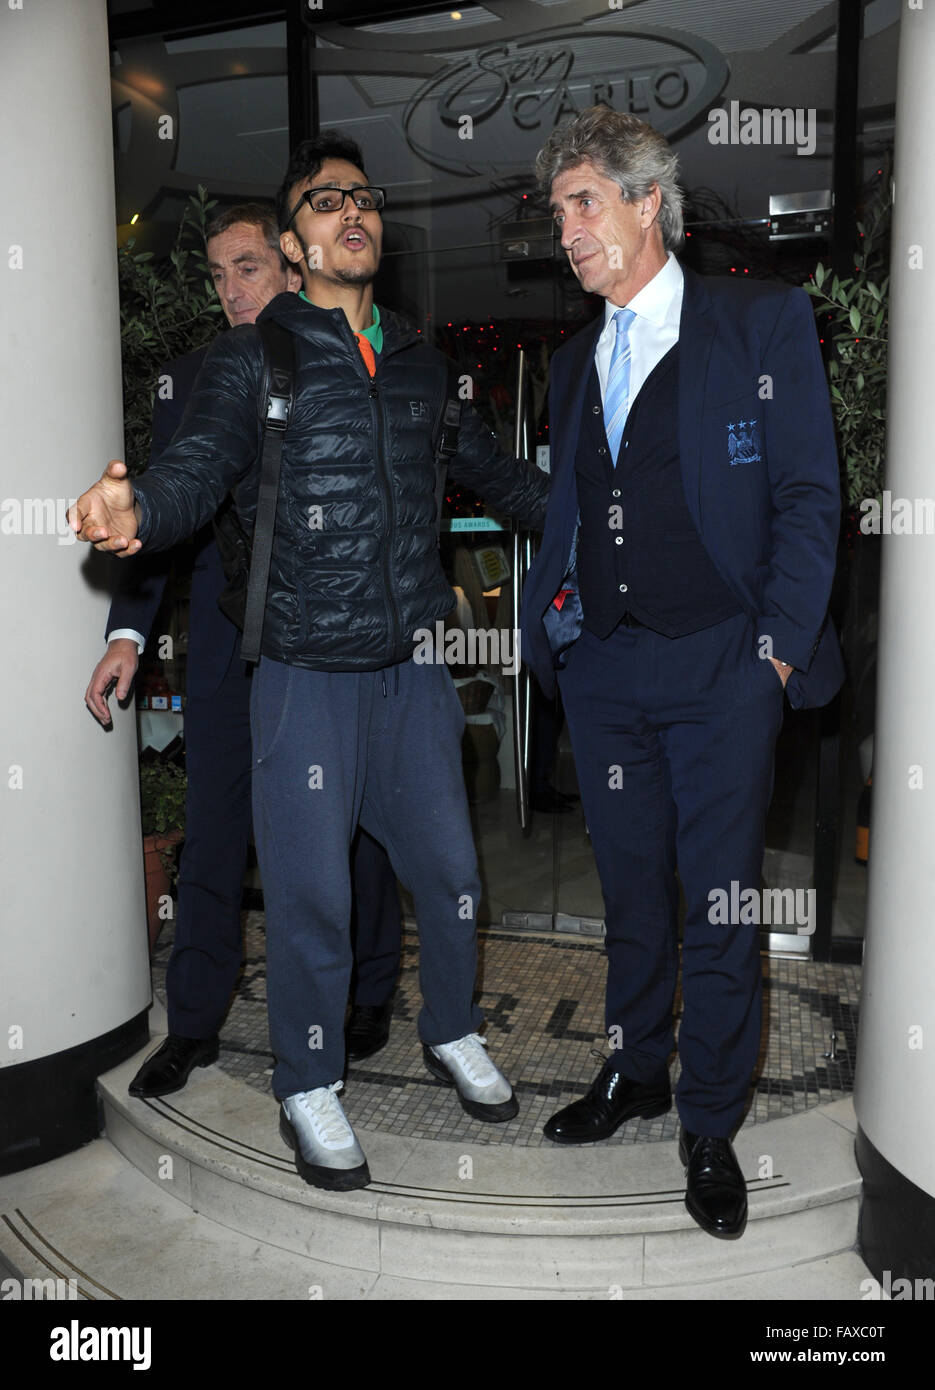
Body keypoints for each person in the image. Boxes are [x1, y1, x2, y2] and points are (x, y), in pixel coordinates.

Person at [70, 132, 548, 1192]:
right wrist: (136, 509)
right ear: (295, 243)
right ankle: (306, 1080)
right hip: (300, 677)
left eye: (363, 198)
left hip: (411, 671)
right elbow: (193, 475)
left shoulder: (423, 361)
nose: (352, 211)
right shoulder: (252, 361)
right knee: (310, 894)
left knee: (451, 876)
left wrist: (599, 525)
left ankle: (454, 1027)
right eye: (325, 202)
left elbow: (497, 476)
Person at [520, 106, 844, 1239]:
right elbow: (572, 504)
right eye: (558, 210)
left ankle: (707, 1120)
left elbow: (808, 495)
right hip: (605, 669)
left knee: (717, 903)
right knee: (629, 900)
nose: (563, 231)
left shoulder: (756, 324)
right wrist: (554, 614)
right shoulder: (570, 363)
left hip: (723, 668)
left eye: (580, 204)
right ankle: (634, 1071)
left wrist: (775, 652)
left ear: (645, 201)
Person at [86, 204, 403, 1099]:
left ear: (293, 270)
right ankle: (192, 1025)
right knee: (217, 836)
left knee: (353, 832)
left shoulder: (347, 362)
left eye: (248, 269)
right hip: (232, 653)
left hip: (335, 648)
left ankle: (368, 993)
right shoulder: (190, 380)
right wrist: (125, 637)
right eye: (219, 274)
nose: (230, 289)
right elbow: (163, 520)